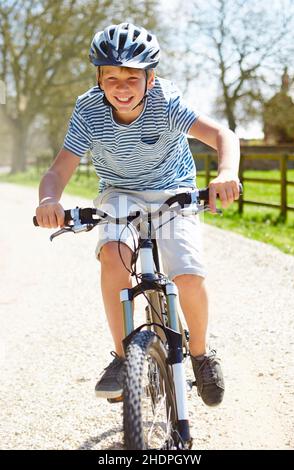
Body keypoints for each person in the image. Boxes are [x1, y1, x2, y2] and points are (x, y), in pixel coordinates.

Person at [36, 22, 240, 407]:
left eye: (132, 76)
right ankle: (122, 356)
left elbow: (222, 136)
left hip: (173, 189)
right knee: (112, 257)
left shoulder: (166, 101)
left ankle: (199, 353)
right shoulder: (88, 108)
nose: (121, 86)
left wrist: (226, 173)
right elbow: (60, 168)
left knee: (188, 275)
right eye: (111, 76)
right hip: (119, 194)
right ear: (99, 78)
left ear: (151, 77)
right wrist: (49, 200)